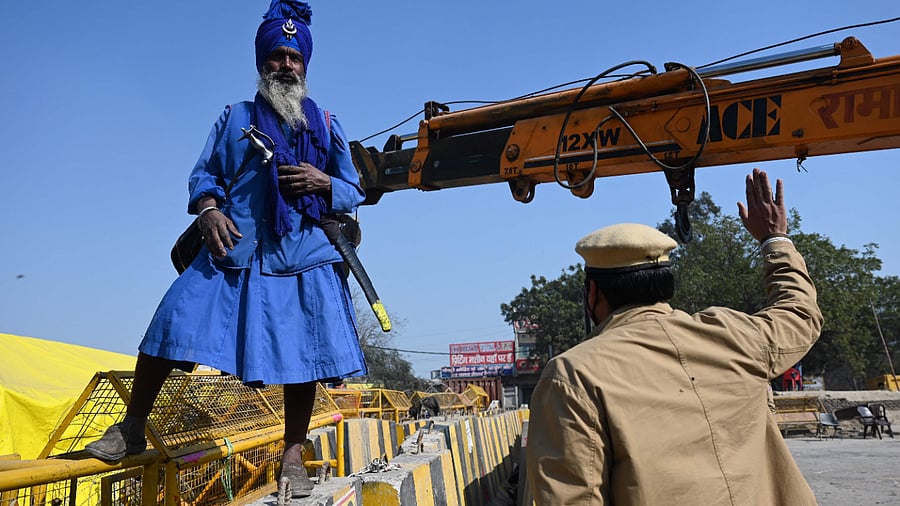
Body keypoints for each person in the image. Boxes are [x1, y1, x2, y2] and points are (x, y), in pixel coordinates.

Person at [84, 1, 367, 498]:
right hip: (234, 249)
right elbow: (203, 175)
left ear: (306, 64)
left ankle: (293, 457)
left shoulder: (326, 122)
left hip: (303, 255)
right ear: (262, 63)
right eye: (276, 56)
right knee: (171, 323)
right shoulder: (234, 118)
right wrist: (209, 209)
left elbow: (354, 189)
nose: (285, 65)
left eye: (294, 57)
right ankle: (131, 428)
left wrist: (325, 180)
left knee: (303, 358)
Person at [526, 169, 823, 505]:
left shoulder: (573, 375)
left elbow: (574, 497)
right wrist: (774, 239)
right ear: (665, 284)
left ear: (592, 293)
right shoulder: (733, 335)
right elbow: (799, 313)